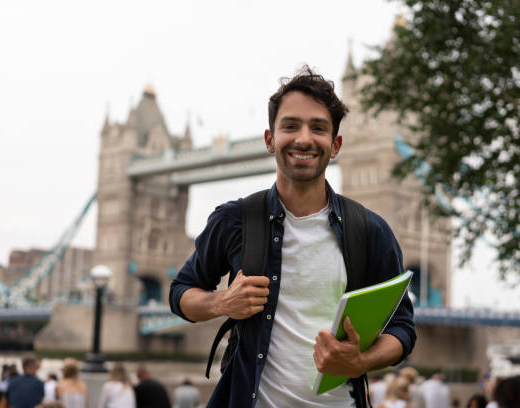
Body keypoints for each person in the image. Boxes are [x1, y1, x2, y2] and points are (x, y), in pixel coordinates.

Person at [169, 65, 416, 407]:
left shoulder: (371, 231)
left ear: (336, 144)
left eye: (318, 128)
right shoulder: (234, 219)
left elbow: (402, 328)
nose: (303, 139)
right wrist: (221, 302)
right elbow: (180, 292)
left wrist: (361, 361)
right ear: (270, 140)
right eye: (290, 126)